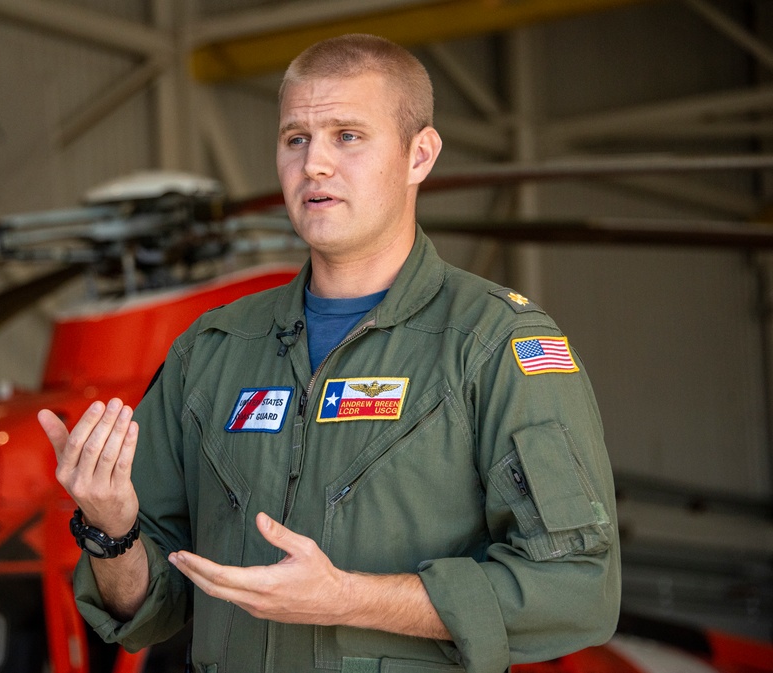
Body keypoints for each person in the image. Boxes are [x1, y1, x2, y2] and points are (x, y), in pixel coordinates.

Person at [39, 33, 620, 673]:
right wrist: (111, 529)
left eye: (347, 135)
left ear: (419, 155)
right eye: (296, 139)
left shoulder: (496, 347)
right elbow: (150, 608)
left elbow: (575, 589)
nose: (314, 164)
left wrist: (348, 598)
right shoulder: (212, 351)